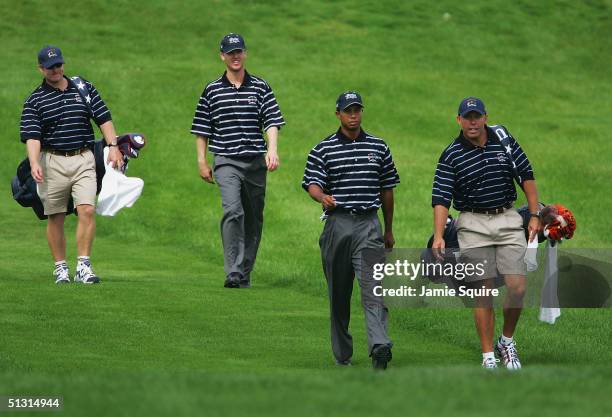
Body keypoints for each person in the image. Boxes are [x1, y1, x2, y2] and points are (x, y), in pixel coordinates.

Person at [431, 97, 541, 370]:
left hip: (507, 218)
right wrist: (438, 235)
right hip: (472, 224)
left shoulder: (503, 139)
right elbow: (441, 198)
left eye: (476, 116)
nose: (472, 121)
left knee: (518, 287)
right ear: (458, 120)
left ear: (484, 117)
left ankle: (506, 341)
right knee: (484, 290)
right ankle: (488, 356)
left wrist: (535, 214)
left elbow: (526, 175)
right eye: (467, 117)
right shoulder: (451, 154)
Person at [302, 92, 400, 369]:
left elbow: (387, 189)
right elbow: (312, 183)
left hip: (369, 224)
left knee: (375, 289)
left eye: (357, 109)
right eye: (348, 110)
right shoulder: (324, 149)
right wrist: (322, 197)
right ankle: (343, 352)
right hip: (338, 225)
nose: (353, 114)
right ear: (338, 114)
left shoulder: (379, 147)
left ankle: (380, 345)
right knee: (339, 293)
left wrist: (389, 229)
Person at [20, 45, 123, 284]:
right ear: (41, 69)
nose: (55, 70)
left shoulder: (83, 87)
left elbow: (103, 118)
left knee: (86, 209)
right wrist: (34, 162)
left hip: (83, 157)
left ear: (63, 65)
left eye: (58, 65)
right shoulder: (35, 100)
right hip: (52, 161)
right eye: (49, 67)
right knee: (56, 216)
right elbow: (32, 136)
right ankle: (60, 267)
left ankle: (83, 266)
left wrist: (114, 146)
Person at [190, 33, 285, 289]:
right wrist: (202, 161)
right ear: (222, 55)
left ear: (245, 54)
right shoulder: (212, 90)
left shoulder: (261, 87)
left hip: (255, 161)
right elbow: (202, 129)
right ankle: (232, 270)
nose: (235, 56)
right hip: (226, 160)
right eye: (230, 52)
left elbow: (272, 122)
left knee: (254, 218)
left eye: (239, 51)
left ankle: (244, 273)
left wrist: (272, 150)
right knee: (233, 210)